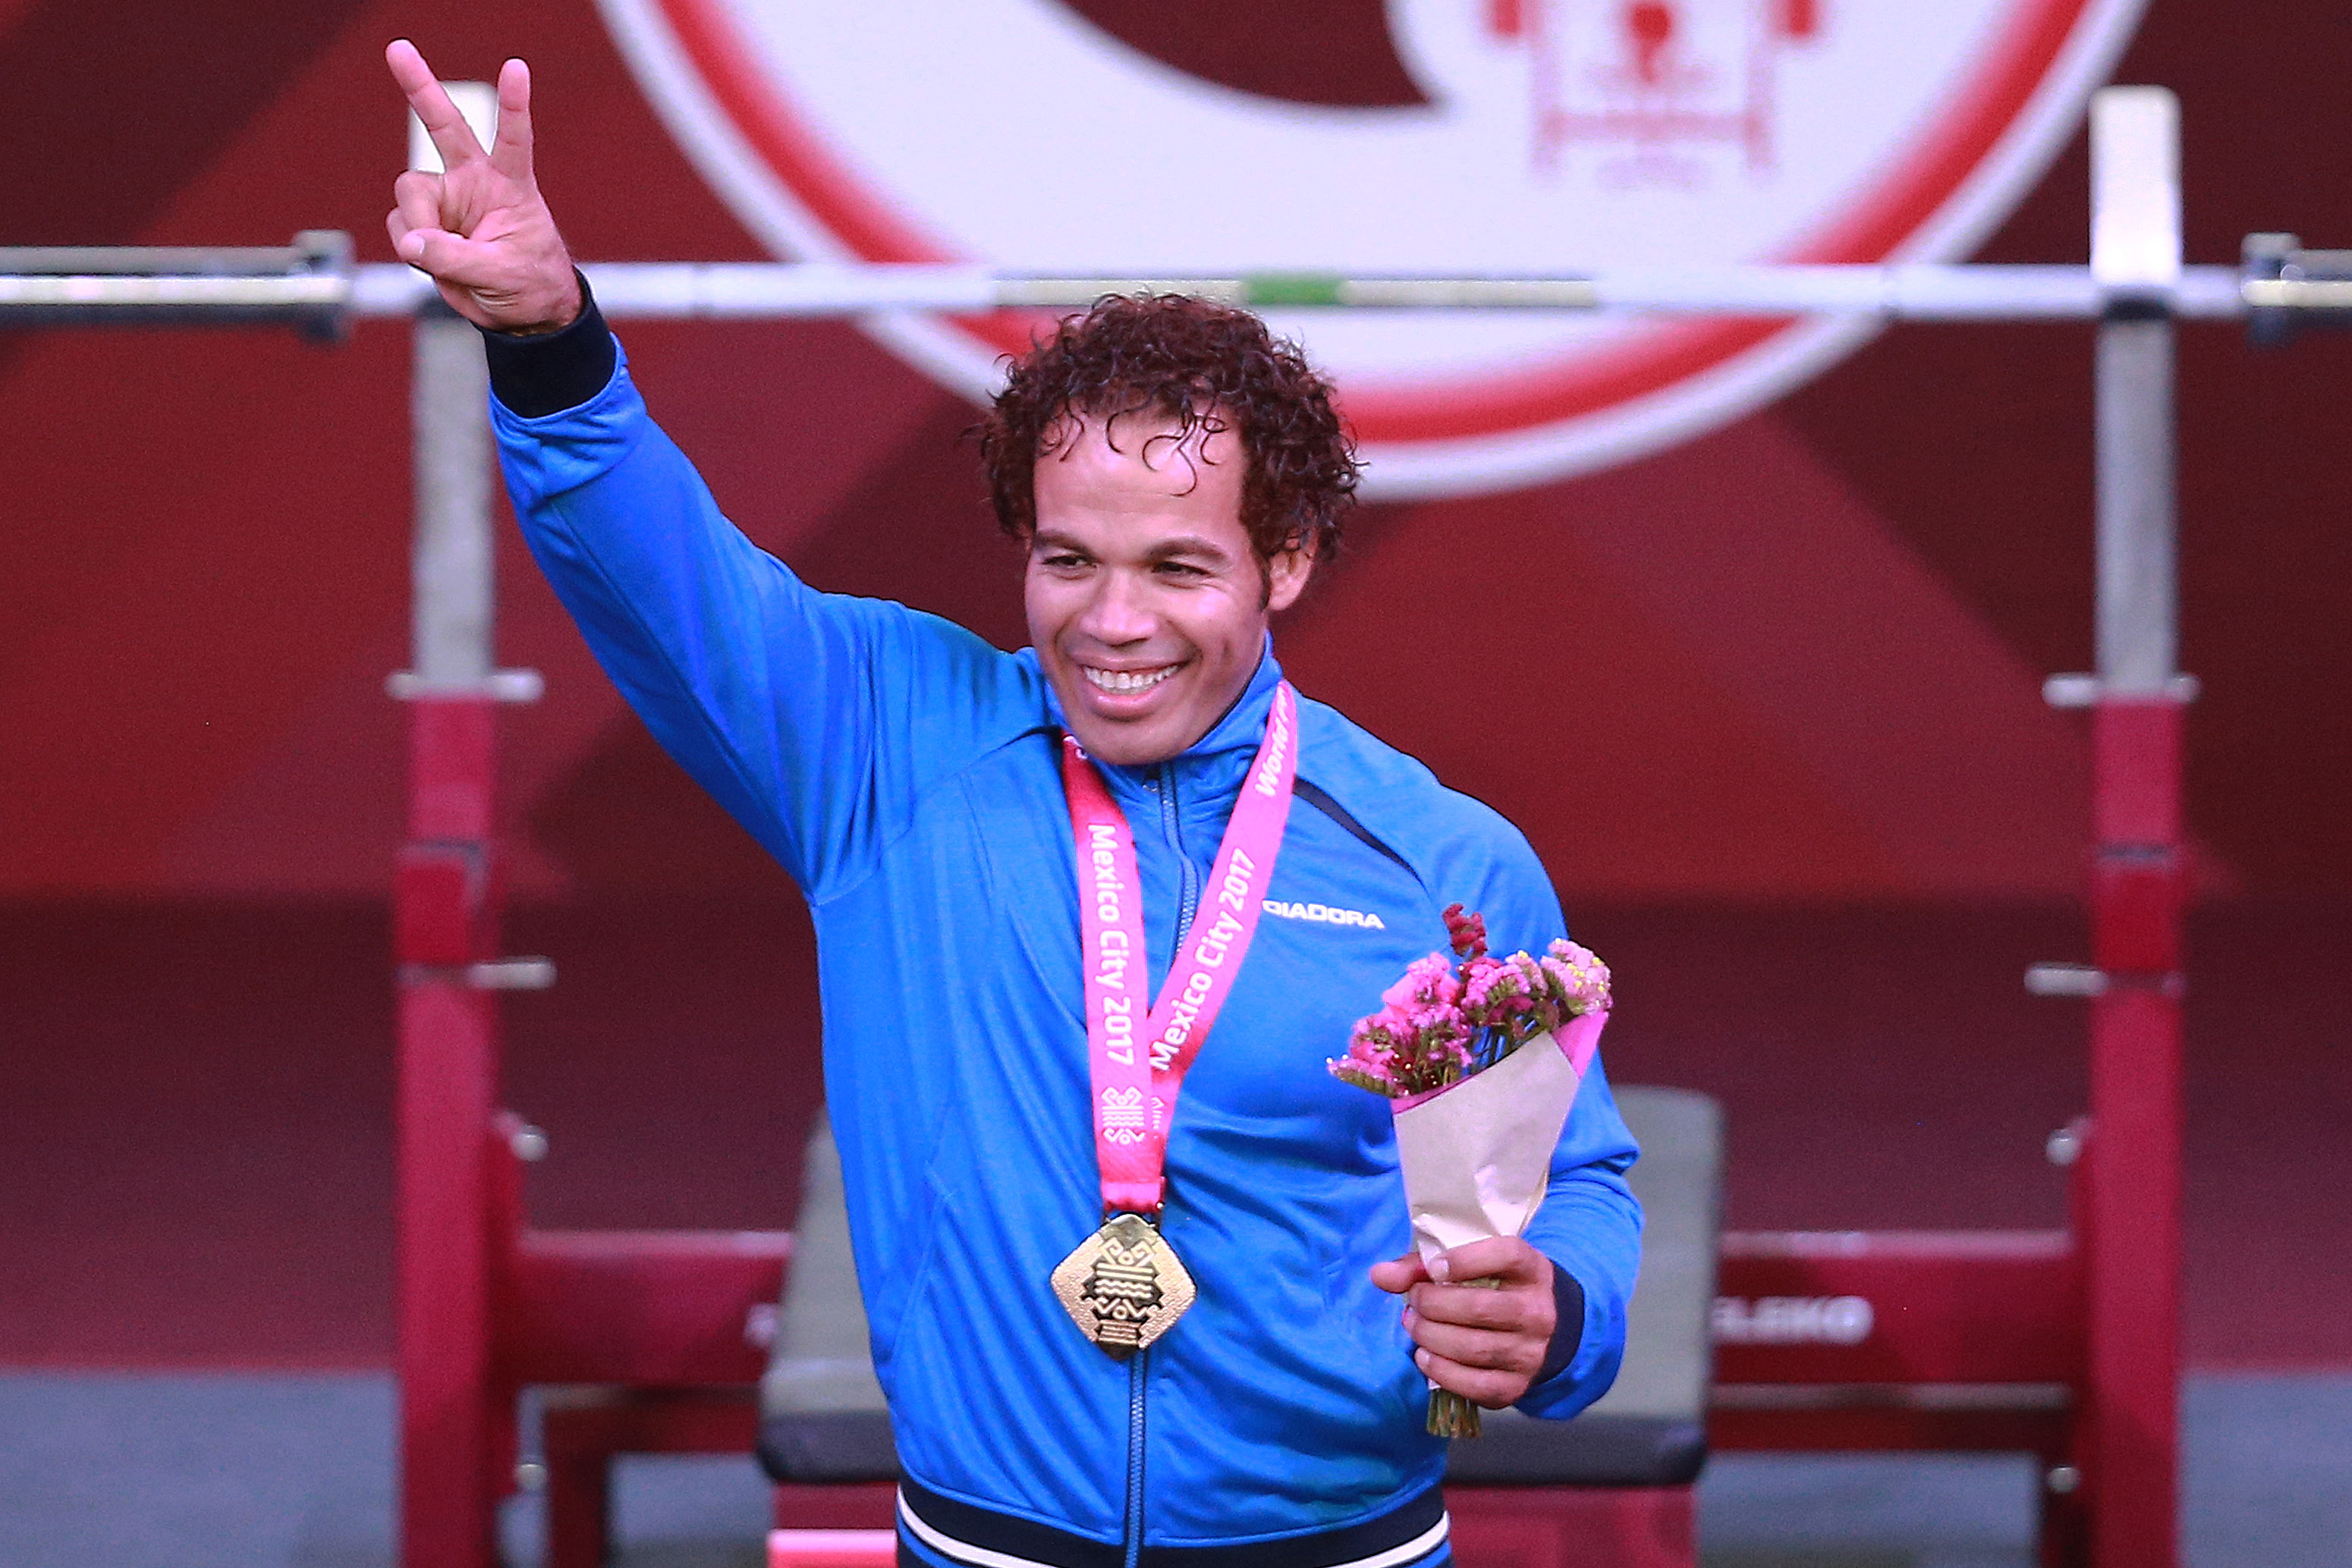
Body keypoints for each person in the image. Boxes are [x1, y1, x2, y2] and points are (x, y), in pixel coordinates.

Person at [386, 40, 1640, 1568]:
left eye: (1177, 567)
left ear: (1285, 559)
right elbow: (664, 579)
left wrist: (1560, 1309)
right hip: (983, 1539)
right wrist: (548, 343)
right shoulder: (887, 749)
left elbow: (1572, 1170)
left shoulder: (1431, 858)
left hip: (1340, 1544)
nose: (1111, 622)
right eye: (1066, 558)